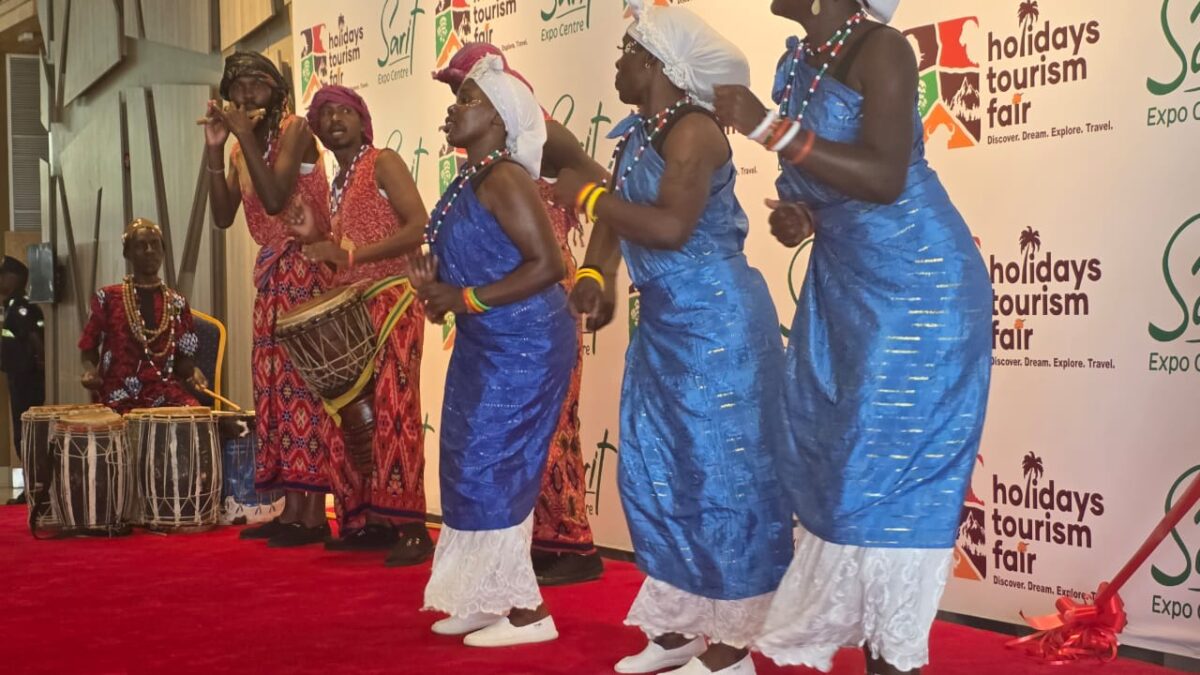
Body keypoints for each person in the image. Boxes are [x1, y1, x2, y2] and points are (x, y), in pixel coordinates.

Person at [713, 1, 992, 673]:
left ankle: (894, 655)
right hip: (846, 281)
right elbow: (839, 179)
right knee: (846, 465)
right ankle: (880, 652)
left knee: (887, 476)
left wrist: (768, 127)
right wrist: (808, 216)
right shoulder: (799, 61)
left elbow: (886, 175)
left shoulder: (881, 49)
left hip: (916, 285)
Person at [550, 2, 793, 673]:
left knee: (726, 477)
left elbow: (668, 226)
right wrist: (594, 272)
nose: (619, 62)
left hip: (717, 322)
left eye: (629, 52)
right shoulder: (639, 133)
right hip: (664, 323)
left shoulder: (694, 131)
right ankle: (681, 624)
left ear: (660, 65)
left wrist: (584, 195)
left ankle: (734, 646)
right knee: (662, 473)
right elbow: (618, 219)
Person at [413, 54, 575, 648]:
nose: (454, 109)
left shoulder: (505, 177)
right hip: (485, 338)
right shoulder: (468, 178)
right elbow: (466, 276)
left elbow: (549, 265)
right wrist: (437, 293)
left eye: (469, 100)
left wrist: (464, 298)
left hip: (525, 342)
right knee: (465, 461)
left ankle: (530, 613)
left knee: (494, 465)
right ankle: (486, 598)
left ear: (501, 119)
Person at [433, 43, 608, 586]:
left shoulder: (540, 134)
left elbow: (605, 190)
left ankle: (570, 544)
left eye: (465, 90)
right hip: (498, 293)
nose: (455, 102)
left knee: (548, 426)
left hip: (535, 291)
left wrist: (583, 254)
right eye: (455, 92)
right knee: (501, 439)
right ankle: (518, 551)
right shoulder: (482, 160)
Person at [295, 84, 432, 566]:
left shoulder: (383, 162)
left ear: (362, 120)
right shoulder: (338, 181)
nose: (335, 120)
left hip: (394, 299)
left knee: (395, 412)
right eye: (325, 114)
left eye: (344, 111)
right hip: (354, 310)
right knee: (351, 418)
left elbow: (419, 226)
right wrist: (316, 236)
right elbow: (343, 251)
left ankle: (412, 528)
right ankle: (369, 520)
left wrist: (351, 256)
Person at [203, 51, 335, 547]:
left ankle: (313, 514)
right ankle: (289, 507)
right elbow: (222, 217)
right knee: (273, 392)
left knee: (303, 388)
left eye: (256, 84)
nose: (244, 94)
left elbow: (277, 199)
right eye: (236, 86)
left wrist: (241, 137)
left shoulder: (295, 130)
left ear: (276, 91)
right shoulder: (241, 150)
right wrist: (216, 148)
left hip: (307, 268)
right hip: (271, 279)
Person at [79, 219, 205, 413]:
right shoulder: (108, 298)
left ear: (163, 251)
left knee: (195, 416)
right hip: (118, 393)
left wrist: (192, 372)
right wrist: (90, 371)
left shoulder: (177, 302)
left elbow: (183, 359)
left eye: (155, 245)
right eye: (141, 245)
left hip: (164, 391)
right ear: (127, 253)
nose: (149, 251)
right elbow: (88, 348)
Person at [1, 256, 44, 505]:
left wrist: (40, 362)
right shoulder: (12, 305)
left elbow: (34, 338)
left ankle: (33, 489)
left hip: (27, 380)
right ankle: (31, 487)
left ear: (14, 278)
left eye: (2, 275)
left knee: (26, 433)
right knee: (22, 433)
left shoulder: (20, 307)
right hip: (19, 377)